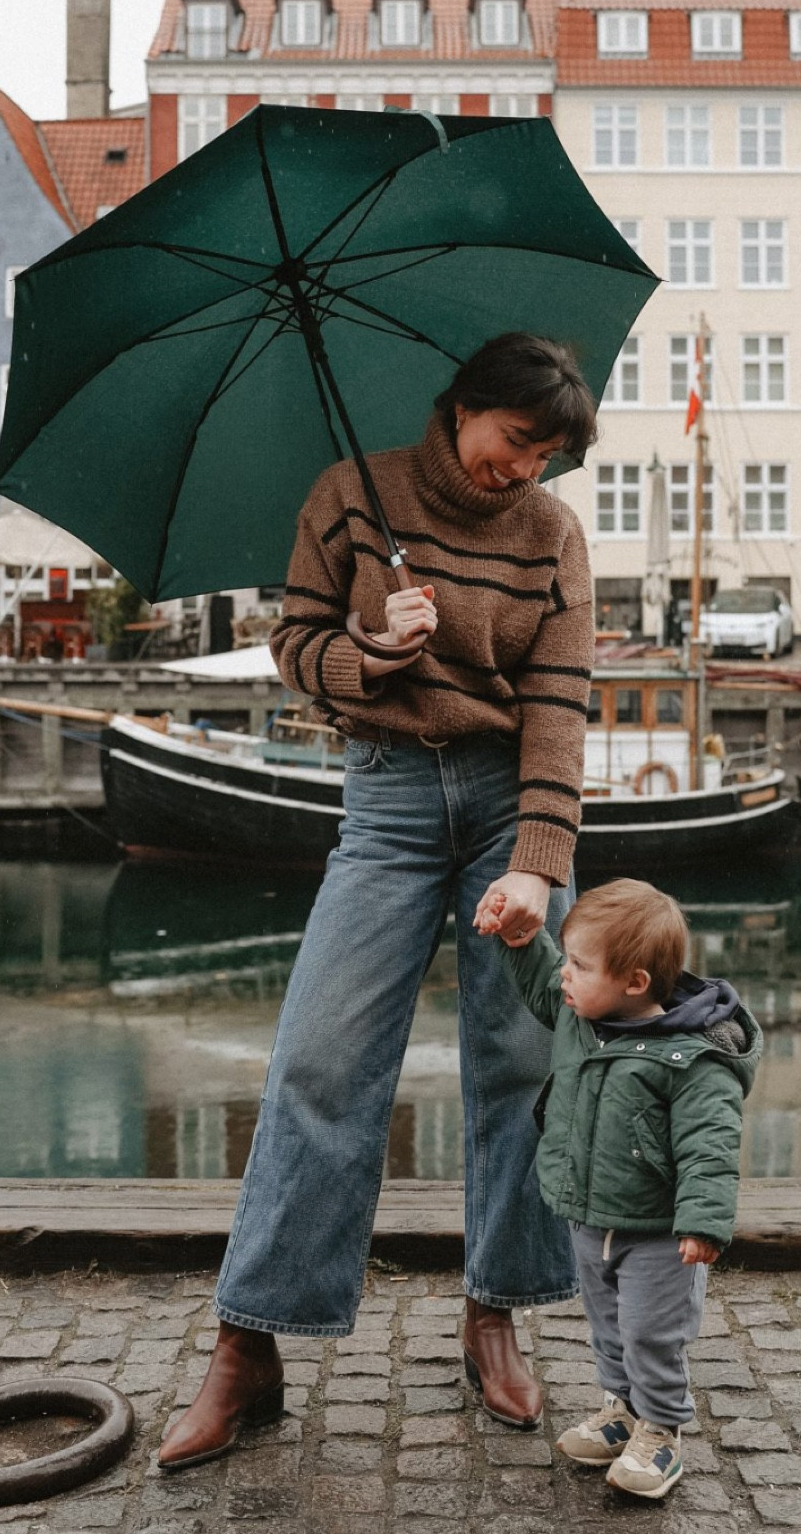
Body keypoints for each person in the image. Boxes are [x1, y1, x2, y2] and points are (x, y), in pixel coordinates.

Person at [157, 333, 598, 1471]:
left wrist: (540, 863)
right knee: (321, 1059)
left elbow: (558, 701)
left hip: (509, 803)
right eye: (516, 442)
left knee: (525, 1057)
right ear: (464, 410)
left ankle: (495, 1309)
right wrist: (371, 649)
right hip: (390, 800)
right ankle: (248, 1347)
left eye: (547, 455)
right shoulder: (351, 496)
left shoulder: (553, 535)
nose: (525, 471)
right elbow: (291, 649)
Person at [489, 876, 761, 1500]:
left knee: (650, 1332)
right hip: (591, 1217)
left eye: (579, 964)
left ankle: (661, 1431)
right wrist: (519, 939)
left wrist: (703, 1222)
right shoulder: (584, 1016)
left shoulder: (693, 1061)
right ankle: (621, 1413)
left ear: (635, 983)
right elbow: (540, 980)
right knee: (608, 1323)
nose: (565, 974)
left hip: (659, 1231)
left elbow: (710, 1149)